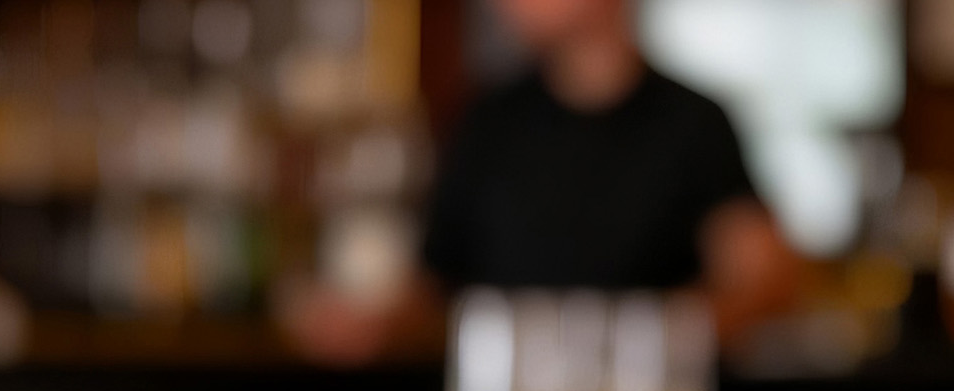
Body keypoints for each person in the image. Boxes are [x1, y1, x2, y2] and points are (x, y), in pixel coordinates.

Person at [293, 0, 800, 362]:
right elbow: (433, 286)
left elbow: (763, 280)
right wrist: (367, 325)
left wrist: (646, 340)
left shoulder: (695, 123)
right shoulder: (489, 122)